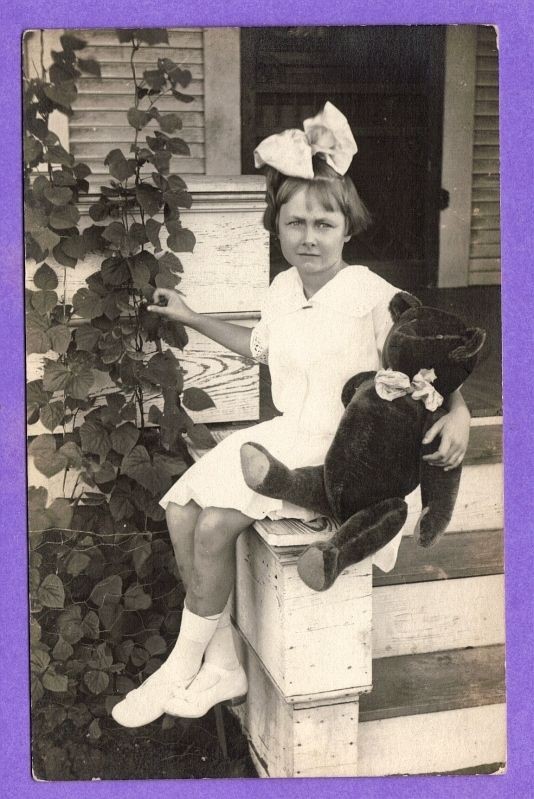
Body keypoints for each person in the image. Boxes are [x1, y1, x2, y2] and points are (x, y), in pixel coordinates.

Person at [112, 102, 471, 728]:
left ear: (347, 228)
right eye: (295, 222)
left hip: (341, 449)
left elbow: (436, 352)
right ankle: (222, 660)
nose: (308, 236)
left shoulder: (371, 292)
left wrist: (459, 412)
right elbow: (257, 346)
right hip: (286, 431)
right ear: (276, 226)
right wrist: (193, 316)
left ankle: (180, 662)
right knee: (180, 509)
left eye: (323, 223)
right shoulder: (280, 291)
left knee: (217, 521)